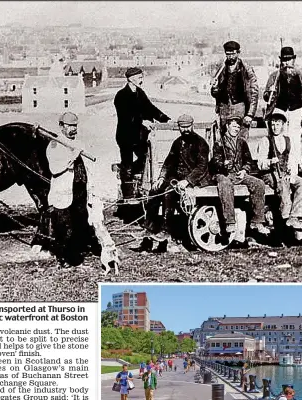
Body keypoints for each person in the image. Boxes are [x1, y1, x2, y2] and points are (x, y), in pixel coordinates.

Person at [46, 112, 119, 271]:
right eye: (69, 126)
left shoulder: (77, 143)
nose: (73, 129)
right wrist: (73, 155)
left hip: (80, 193)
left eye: (75, 126)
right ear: (61, 126)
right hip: (63, 195)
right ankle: (63, 259)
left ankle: (77, 252)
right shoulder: (55, 145)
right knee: (64, 228)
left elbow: (88, 168)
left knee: (80, 225)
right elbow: (55, 169)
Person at [143, 114, 213, 242]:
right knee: (154, 191)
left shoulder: (201, 143)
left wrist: (187, 181)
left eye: (188, 127)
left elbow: (202, 167)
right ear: (178, 127)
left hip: (196, 179)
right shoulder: (178, 143)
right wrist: (161, 178)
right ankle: (149, 228)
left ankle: (166, 231)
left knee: (169, 193)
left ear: (192, 126)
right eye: (182, 127)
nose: (186, 129)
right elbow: (169, 162)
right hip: (178, 178)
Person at [114, 67, 171, 199]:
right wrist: (142, 122)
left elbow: (150, 108)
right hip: (126, 136)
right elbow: (126, 117)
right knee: (127, 165)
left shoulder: (140, 93)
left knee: (146, 158)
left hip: (139, 136)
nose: (141, 79)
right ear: (131, 79)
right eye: (139, 77)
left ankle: (140, 183)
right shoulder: (121, 96)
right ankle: (128, 196)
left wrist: (165, 119)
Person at [210, 115, 270, 235]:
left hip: (238, 174)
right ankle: (230, 222)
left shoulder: (242, 142)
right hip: (222, 174)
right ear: (227, 127)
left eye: (238, 126)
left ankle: (257, 221)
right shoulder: (219, 143)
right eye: (233, 126)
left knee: (259, 184)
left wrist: (244, 170)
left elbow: (248, 161)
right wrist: (223, 164)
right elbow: (215, 162)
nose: (236, 129)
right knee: (226, 185)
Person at [256, 108, 302, 235]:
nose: (275, 126)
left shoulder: (288, 140)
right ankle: (285, 217)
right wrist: (270, 162)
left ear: (283, 125)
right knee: (282, 184)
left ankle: (295, 216)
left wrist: (291, 172)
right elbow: (260, 164)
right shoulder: (266, 140)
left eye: (278, 124)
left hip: (284, 174)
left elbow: (291, 159)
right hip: (269, 174)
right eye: (273, 124)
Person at [263, 46, 302, 164]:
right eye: (284, 60)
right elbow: (266, 97)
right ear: (281, 61)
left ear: (293, 60)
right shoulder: (274, 76)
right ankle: (280, 169)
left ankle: (293, 174)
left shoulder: (301, 76)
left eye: (289, 59)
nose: (286, 63)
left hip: (296, 112)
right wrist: (270, 92)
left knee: (295, 143)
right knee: (280, 142)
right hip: (279, 112)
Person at [211, 40, 259, 140]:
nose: (230, 57)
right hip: (224, 109)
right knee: (224, 139)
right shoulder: (221, 69)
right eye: (228, 54)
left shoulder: (246, 69)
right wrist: (215, 87)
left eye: (233, 54)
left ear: (238, 53)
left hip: (240, 108)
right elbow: (215, 94)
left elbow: (254, 92)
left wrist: (250, 114)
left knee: (241, 139)